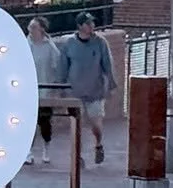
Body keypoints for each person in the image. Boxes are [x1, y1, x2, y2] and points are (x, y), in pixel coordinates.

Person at [61, 12, 117, 165]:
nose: (92, 26)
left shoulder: (100, 42)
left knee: (96, 124)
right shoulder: (69, 43)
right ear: (80, 26)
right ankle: (77, 157)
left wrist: (111, 85)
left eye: (92, 23)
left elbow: (107, 65)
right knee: (76, 126)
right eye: (88, 23)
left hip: (95, 91)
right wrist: (61, 87)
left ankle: (98, 144)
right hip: (74, 91)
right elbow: (63, 67)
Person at [27, 17, 65, 166]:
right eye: (30, 27)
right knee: (28, 124)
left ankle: (46, 149)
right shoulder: (25, 44)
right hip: (28, 91)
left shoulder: (50, 46)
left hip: (45, 90)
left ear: (42, 29)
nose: (30, 30)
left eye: (34, 27)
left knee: (44, 123)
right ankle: (28, 153)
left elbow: (57, 67)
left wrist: (55, 88)